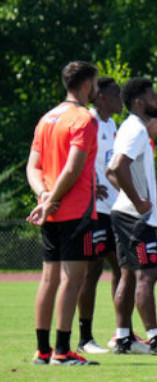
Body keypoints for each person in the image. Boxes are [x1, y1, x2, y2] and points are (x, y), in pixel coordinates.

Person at [27, 61, 102, 366]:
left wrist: (43, 196)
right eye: (96, 83)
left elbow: (33, 166)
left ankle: (42, 351)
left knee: (49, 279)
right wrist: (51, 199)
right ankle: (61, 350)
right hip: (76, 211)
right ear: (86, 85)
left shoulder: (47, 118)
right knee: (73, 279)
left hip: (52, 212)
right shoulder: (83, 118)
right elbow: (73, 167)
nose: (97, 89)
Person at [106, 77, 157, 356]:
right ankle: (156, 340)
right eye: (152, 96)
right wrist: (137, 201)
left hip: (128, 214)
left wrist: (155, 194)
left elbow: (113, 172)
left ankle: (124, 338)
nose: (156, 100)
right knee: (147, 276)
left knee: (127, 276)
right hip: (134, 218)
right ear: (139, 102)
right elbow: (116, 167)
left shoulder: (133, 129)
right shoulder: (136, 129)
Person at [77, 77, 126, 354]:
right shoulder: (90, 121)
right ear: (102, 98)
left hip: (113, 209)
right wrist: (91, 186)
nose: (121, 100)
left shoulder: (111, 124)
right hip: (93, 210)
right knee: (92, 271)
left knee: (121, 267)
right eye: (116, 94)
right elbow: (79, 158)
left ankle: (121, 333)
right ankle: (85, 338)